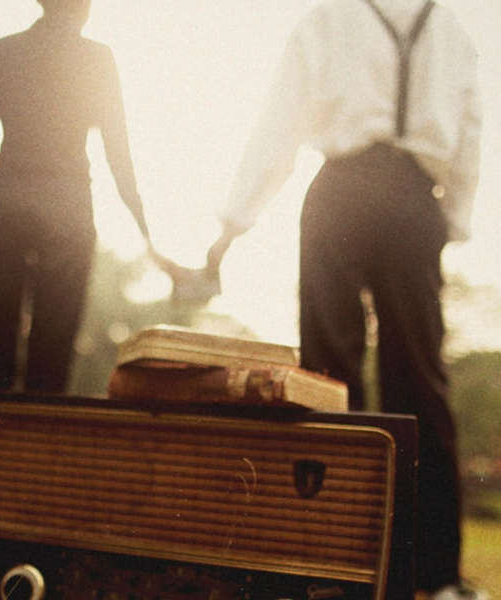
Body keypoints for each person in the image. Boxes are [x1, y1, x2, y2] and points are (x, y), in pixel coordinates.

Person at [206, 1, 483, 598]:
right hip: (415, 200)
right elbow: (470, 130)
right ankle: (436, 577)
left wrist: (233, 225)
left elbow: (279, 123)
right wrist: (449, 219)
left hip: (342, 197)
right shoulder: (453, 32)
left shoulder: (328, 19)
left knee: (327, 379)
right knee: (420, 380)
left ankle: (326, 563)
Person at [0, 0, 156, 393]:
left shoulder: (3, 50)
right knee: (53, 351)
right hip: (68, 211)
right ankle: (31, 449)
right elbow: (119, 154)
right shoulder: (98, 59)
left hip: (2, 204)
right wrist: (147, 234)